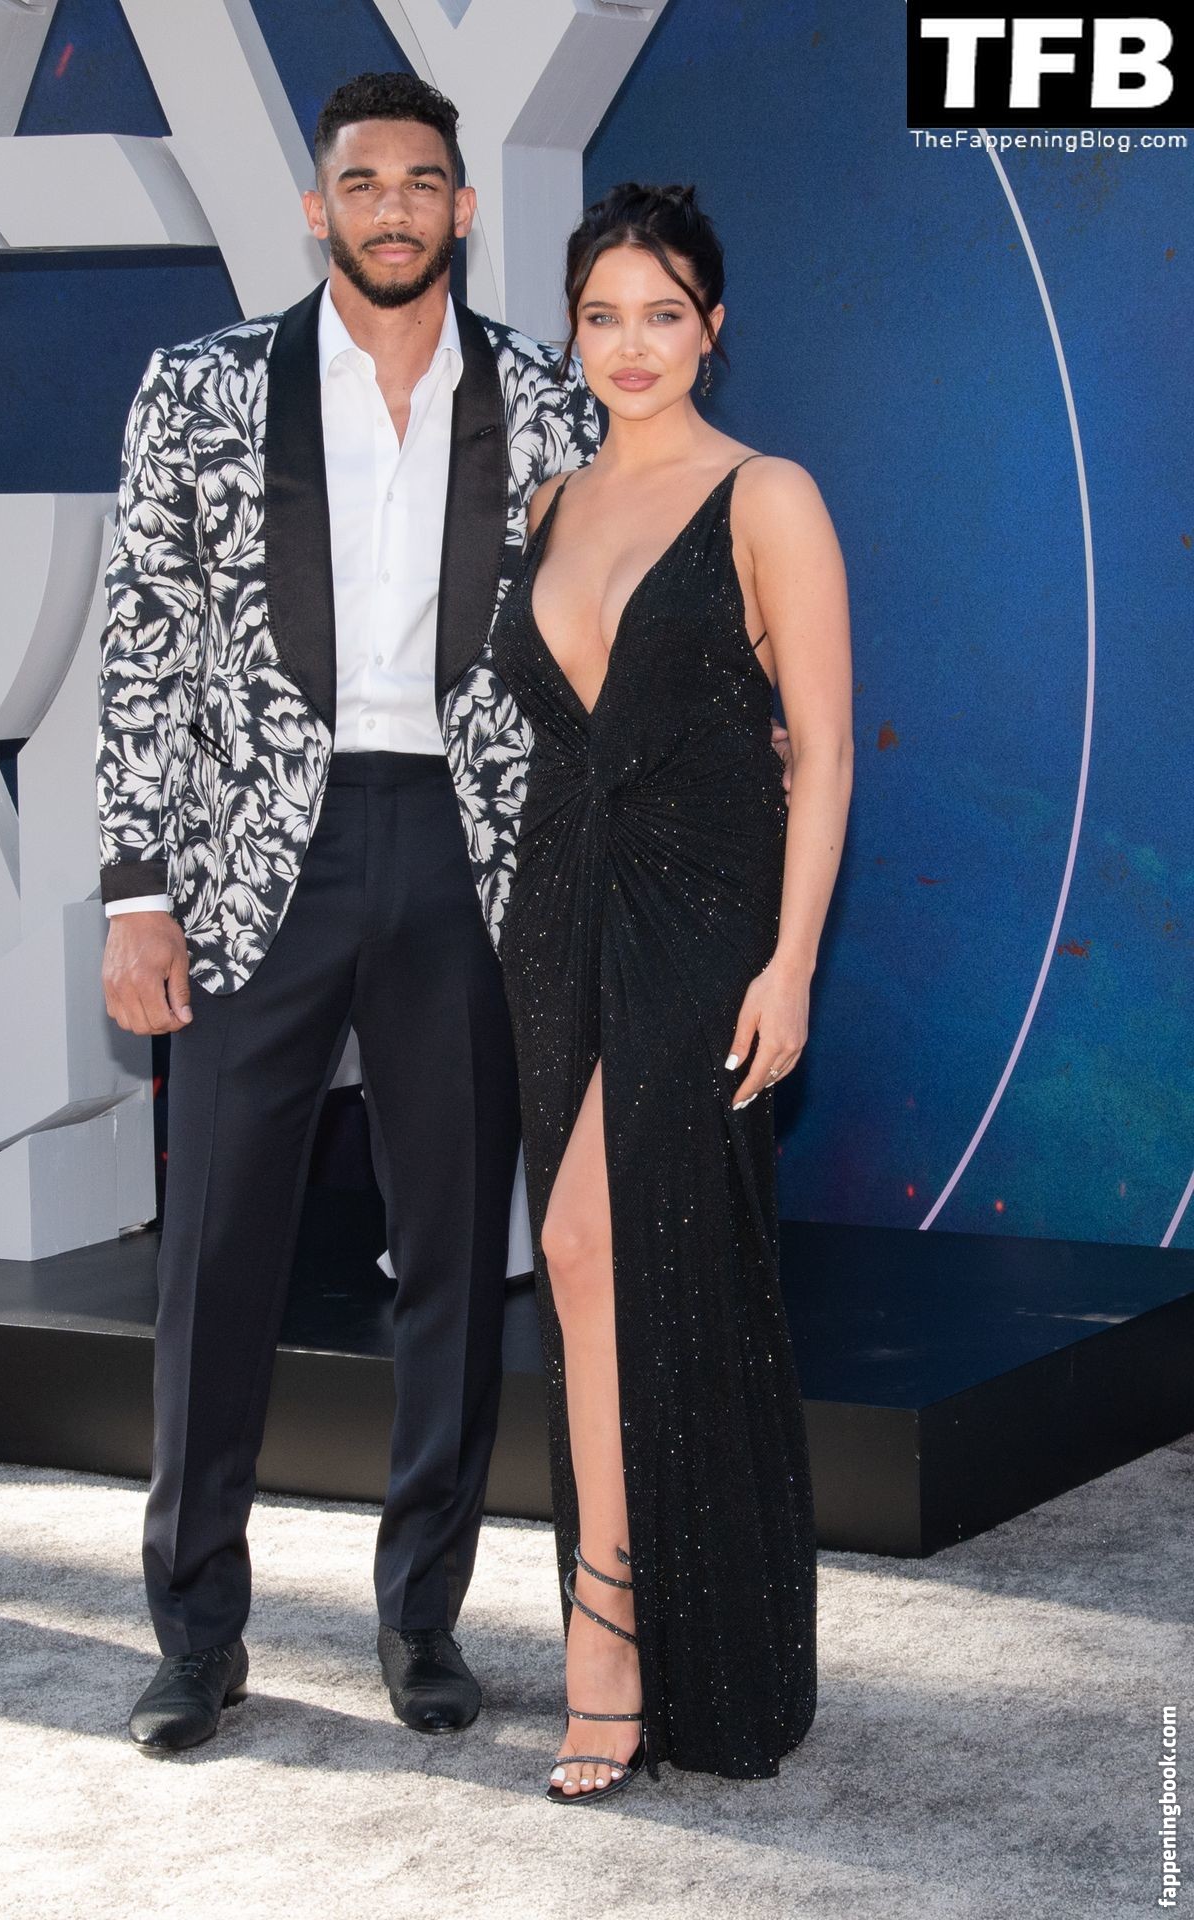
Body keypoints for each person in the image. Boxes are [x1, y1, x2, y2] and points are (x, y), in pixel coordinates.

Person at [97, 67, 790, 1757]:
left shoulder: (553, 397)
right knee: (216, 1259)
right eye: (363, 182)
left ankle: (423, 1622)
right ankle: (196, 1635)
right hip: (255, 863)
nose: (393, 207)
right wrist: (134, 891)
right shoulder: (199, 388)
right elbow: (139, 646)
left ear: (463, 210)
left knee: (454, 1263)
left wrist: (745, 718)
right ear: (317, 207)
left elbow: (662, 574)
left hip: (482, 861)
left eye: (421, 182)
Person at [489, 181, 852, 1801]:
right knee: (607, 1275)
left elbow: (822, 749)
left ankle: (612, 1635)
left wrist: (792, 961)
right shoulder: (551, 500)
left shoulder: (767, 494)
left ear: (713, 326)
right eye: (602, 316)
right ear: (574, 331)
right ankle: (665, 1626)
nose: (631, 344)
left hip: (707, 917)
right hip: (557, 914)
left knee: (593, 1245)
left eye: (663, 313)